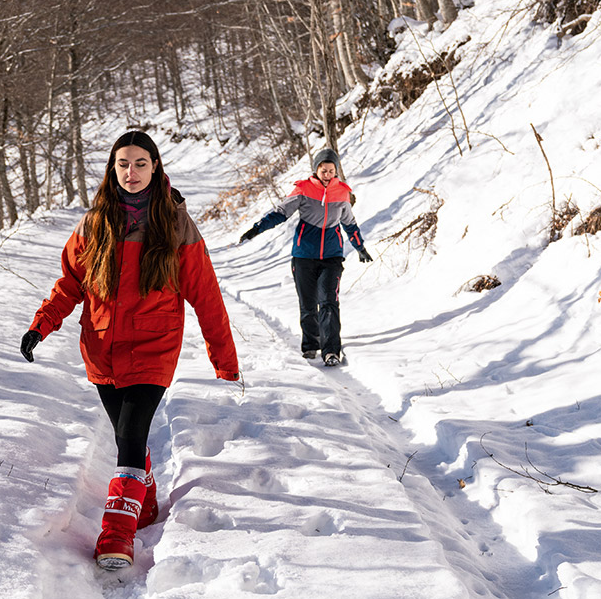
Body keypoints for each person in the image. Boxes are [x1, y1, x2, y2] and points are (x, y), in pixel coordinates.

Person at [20, 130, 239, 571]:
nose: (131, 172)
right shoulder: (93, 223)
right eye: (123, 163)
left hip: (155, 346)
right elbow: (70, 285)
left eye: (141, 163)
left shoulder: (175, 224)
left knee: (132, 434)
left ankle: (116, 535)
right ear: (112, 168)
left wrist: (225, 359)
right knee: (125, 435)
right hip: (101, 347)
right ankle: (147, 499)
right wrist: (41, 325)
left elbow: (206, 295)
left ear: (155, 167)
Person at [238, 146, 371, 366]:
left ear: (336, 170)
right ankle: (310, 345)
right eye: (323, 170)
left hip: (332, 257)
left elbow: (349, 223)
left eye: (331, 170)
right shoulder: (303, 189)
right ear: (316, 169)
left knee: (329, 302)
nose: (327, 174)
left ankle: (331, 351)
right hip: (304, 256)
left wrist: (360, 247)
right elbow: (280, 212)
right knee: (308, 304)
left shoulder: (342, 192)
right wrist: (257, 228)